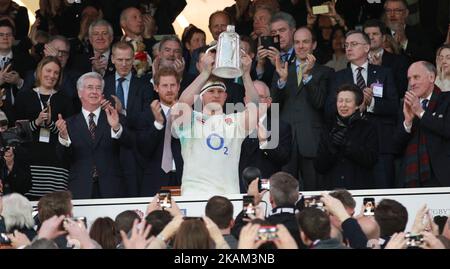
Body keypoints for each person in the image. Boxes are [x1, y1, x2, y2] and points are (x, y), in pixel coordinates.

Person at [172, 49, 259, 196]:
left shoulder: (234, 122)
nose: (216, 95)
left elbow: (254, 107)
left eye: (220, 91)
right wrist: (204, 73)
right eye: (211, 91)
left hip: (227, 195)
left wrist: (245, 74)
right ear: (201, 96)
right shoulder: (191, 120)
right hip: (194, 194)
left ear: (226, 96)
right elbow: (182, 103)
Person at [326, 30, 398, 189]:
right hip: (349, 146)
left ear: (367, 47)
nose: (348, 48)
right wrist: (353, 107)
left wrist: (371, 103)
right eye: (346, 45)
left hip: (380, 144)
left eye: (354, 44)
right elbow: (329, 109)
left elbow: (394, 106)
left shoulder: (383, 73)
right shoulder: (337, 77)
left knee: (383, 193)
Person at [272, 26, 334, 191]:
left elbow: (320, 103)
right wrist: (282, 81)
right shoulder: (282, 70)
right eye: (297, 42)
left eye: (305, 42)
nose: (300, 46)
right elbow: (273, 106)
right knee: (285, 192)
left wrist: (307, 77)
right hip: (286, 141)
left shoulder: (325, 72)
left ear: (313, 45)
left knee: (314, 192)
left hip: (311, 140)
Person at [55, 72, 132, 199]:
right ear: (80, 93)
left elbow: (130, 145)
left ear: (102, 94)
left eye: (98, 88)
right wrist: (63, 137)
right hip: (80, 189)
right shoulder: (68, 123)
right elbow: (63, 159)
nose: (94, 92)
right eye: (90, 87)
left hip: (112, 188)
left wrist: (116, 127)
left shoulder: (115, 118)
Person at [15, 56, 74, 200]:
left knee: (55, 207)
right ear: (40, 71)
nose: (51, 75)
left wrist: (50, 125)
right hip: (29, 164)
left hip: (56, 165)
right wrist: (37, 122)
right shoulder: (24, 96)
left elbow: (69, 136)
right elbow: (17, 134)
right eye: (48, 71)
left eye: (56, 73)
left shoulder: (66, 99)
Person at [103, 41, 153, 196]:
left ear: (133, 60)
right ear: (112, 59)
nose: (124, 64)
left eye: (127, 60)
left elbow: (146, 119)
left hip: (134, 151)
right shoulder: (103, 84)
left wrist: (122, 111)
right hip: (108, 149)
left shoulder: (145, 86)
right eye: (119, 60)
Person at [394, 61, 450, 187]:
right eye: (409, 79)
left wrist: (420, 112)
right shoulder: (405, 105)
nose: (412, 83)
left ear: (431, 77)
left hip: (441, 175)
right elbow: (396, 147)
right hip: (410, 176)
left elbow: (447, 129)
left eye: (416, 77)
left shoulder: (447, 100)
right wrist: (407, 122)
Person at [315, 84, 378, 190]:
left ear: (357, 105)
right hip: (333, 191)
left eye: (348, 101)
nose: (343, 105)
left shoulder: (368, 128)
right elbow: (319, 166)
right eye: (340, 101)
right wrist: (332, 149)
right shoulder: (327, 128)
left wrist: (347, 145)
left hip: (359, 190)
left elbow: (371, 160)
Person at [136, 67, 183, 196]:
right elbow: (143, 150)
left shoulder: (189, 112)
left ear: (178, 86)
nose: (169, 90)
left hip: (185, 178)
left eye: (173, 85)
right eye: (164, 85)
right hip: (155, 179)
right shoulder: (145, 115)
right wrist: (158, 123)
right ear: (156, 88)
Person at [239, 80, 292, 182]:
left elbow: (284, 159)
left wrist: (265, 142)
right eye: (251, 96)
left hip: (265, 190)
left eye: (260, 97)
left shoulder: (281, 127)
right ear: (245, 101)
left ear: (268, 102)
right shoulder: (233, 124)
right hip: (236, 187)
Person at [232, 172, 302, 247]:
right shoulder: (307, 225)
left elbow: (238, 231)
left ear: (271, 199)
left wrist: (250, 201)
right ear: (297, 196)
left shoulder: (264, 229)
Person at [0, 19, 35, 125]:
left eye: (8, 35)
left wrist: (19, 82)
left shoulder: (25, 59)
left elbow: (35, 86)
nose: (5, 38)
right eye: (1, 35)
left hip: (20, 115)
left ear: (14, 38)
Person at [363, 19, 409, 98]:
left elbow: (400, 91)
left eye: (375, 34)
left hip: (386, 109)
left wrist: (380, 70)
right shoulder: (355, 62)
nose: (370, 37)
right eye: (367, 34)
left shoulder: (399, 61)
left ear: (383, 38)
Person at [0, 111, 31, 196]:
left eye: (3, 125)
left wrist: (11, 165)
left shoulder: (19, 151)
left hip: (11, 202)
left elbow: (26, 186)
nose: (1, 130)